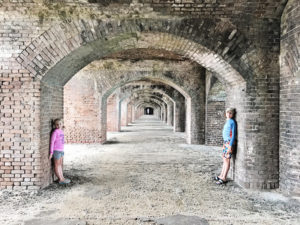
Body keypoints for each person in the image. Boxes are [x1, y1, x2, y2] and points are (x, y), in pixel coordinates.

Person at [215, 108, 236, 185]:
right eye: (228, 113)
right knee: (224, 159)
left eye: (230, 113)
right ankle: (221, 175)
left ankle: (224, 178)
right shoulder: (227, 121)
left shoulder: (232, 122)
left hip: (229, 143)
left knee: (227, 160)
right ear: (225, 113)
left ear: (233, 114)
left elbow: (233, 134)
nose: (229, 114)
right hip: (225, 142)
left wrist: (230, 146)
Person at [49, 118, 70, 184]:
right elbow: (52, 142)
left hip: (61, 150)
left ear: (62, 124)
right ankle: (60, 179)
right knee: (57, 165)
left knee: (60, 165)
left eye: (60, 124)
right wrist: (51, 153)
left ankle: (62, 177)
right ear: (55, 125)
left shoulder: (61, 131)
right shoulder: (55, 132)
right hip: (56, 151)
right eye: (57, 124)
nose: (58, 125)